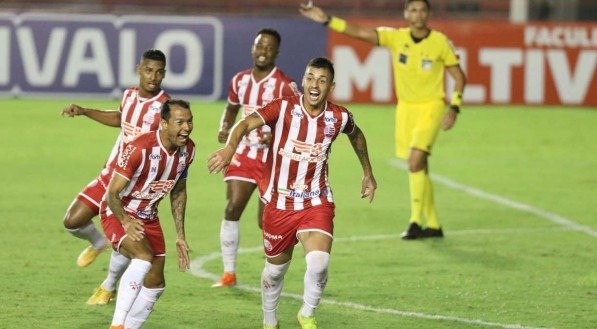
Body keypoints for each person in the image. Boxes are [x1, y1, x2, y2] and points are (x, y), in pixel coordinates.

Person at [208, 57, 377, 329]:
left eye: (322, 80)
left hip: (316, 201)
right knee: (275, 272)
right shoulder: (283, 107)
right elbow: (243, 124)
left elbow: (356, 135)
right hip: (279, 203)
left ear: (330, 87)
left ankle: (307, 313)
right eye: (310, 78)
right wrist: (229, 149)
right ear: (304, 80)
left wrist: (367, 172)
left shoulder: (338, 116)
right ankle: (270, 321)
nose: (314, 84)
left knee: (319, 263)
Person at [300, 0, 467, 239]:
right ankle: (434, 224)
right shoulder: (396, 37)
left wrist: (455, 106)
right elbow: (359, 32)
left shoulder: (440, 42)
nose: (418, 14)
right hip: (406, 109)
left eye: (422, 10)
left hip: (432, 106)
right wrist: (327, 20)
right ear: (406, 13)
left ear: (428, 14)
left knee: (415, 160)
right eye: (413, 9)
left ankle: (416, 221)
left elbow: (458, 76)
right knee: (419, 165)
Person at [61, 49, 169, 304]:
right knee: (72, 221)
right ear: (139, 70)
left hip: (135, 189)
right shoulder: (129, 95)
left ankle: (107, 288)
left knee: (125, 237)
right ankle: (98, 243)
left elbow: (168, 145)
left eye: (159, 72)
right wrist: (85, 111)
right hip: (110, 175)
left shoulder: (166, 108)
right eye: (148, 70)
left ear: (164, 74)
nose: (153, 77)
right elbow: (121, 119)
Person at [213, 28, 300, 288]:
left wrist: (276, 137)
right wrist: (224, 127)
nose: (263, 51)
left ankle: (273, 272)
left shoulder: (285, 85)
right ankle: (229, 273)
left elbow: (297, 121)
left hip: (272, 160)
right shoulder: (240, 80)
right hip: (244, 153)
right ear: (253, 48)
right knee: (232, 207)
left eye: (269, 48)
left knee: (266, 221)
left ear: (277, 53)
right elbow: (230, 109)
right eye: (259, 46)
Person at [103, 99, 195, 329]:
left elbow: (179, 191)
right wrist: (125, 221)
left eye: (190, 121)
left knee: (155, 284)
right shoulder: (140, 148)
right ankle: (116, 325)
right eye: (180, 122)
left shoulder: (189, 150)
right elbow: (111, 193)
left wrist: (180, 235)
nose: (187, 127)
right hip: (119, 212)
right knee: (143, 258)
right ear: (163, 124)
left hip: (149, 218)